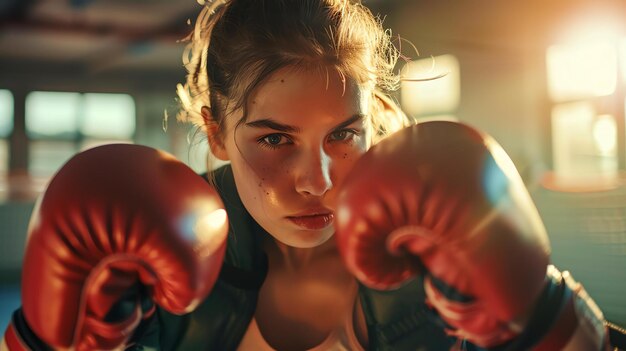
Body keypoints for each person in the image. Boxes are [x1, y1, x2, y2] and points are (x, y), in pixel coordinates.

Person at [3, 0, 623, 350]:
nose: (318, 180)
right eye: (274, 138)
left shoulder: (435, 262)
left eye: (343, 135)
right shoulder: (149, 276)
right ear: (216, 132)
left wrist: (544, 317)